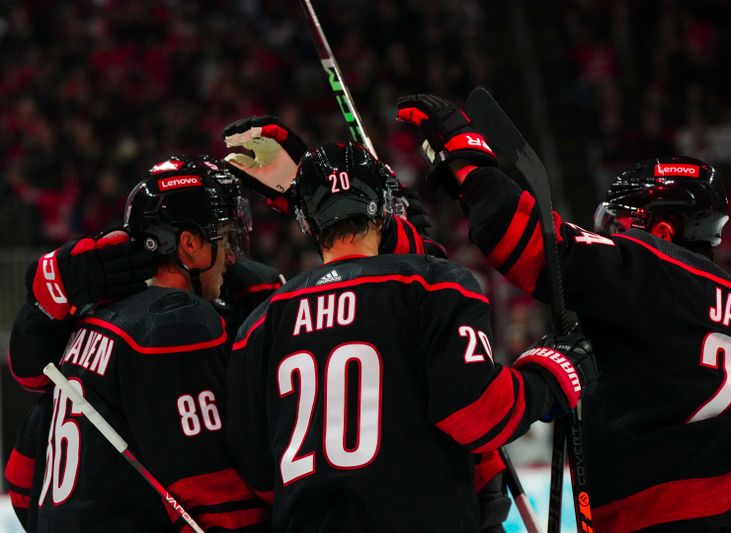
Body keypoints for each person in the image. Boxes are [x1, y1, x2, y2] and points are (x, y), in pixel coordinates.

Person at [396, 93, 731, 532]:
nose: (613, 237)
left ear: (660, 229)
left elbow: (539, 248)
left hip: (670, 511)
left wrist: (467, 162)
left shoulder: (653, 266)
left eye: (619, 227)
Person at [226, 140, 597, 532]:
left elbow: (258, 471)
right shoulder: (434, 284)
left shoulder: (259, 324)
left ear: (306, 222)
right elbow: (480, 414)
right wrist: (552, 377)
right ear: (385, 208)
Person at [6, 156, 269, 532]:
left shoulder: (92, 321)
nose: (230, 256)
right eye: (225, 237)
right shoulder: (179, 323)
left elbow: (20, 477)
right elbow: (214, 495)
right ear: (190, 244)